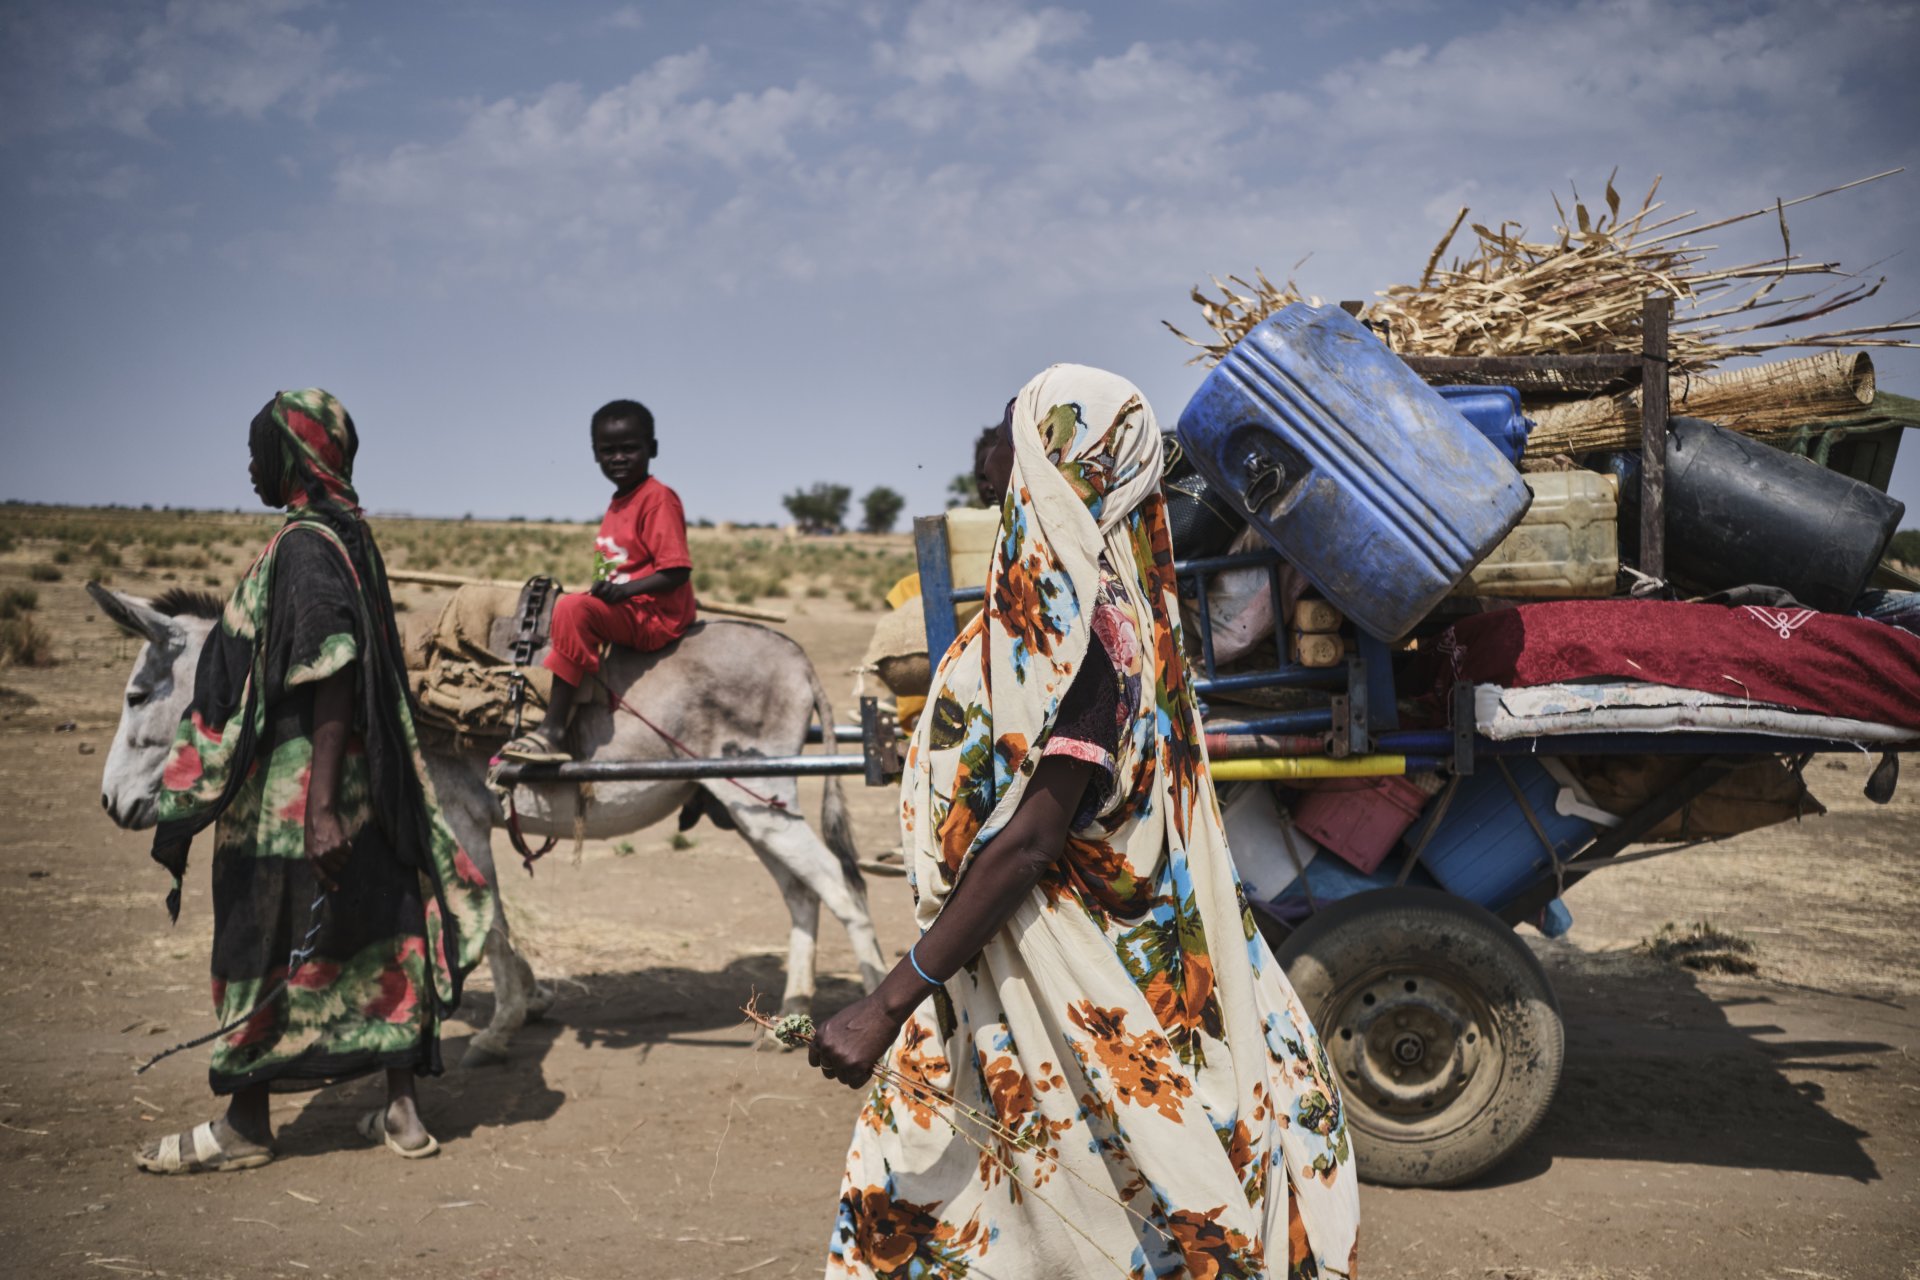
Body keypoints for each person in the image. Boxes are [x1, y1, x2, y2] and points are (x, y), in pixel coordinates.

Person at [809, 366, 1360, 1277]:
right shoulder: (1088, 616)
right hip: (1020, 971)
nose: (998, 462)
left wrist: (887, 999)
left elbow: (1029, 843)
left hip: (1064, 975)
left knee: (1047, 1206)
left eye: (1018, 439)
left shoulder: (1084, 643)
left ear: (1056, 463)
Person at [134, 389, 496, 1175]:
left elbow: (331, 666)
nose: (251, 465)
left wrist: (320, 807)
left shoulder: (303, 543)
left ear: (294, 457)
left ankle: (245, 1125)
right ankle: (401, 1113)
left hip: (299, 795)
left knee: (257, 938)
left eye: (260, 450)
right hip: (369, 783)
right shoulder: (348, 533)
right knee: (378, 925)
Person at [501, 399, 695, 761]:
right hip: (629, 606)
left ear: (652, 449)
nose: (618, 458)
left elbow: (676, 571)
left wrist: (622, 593)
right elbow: (616, 568)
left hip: (655, 615)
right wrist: (606, 592)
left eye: (629, 449)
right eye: (609, 451)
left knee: (573, 611)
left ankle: (554, 729)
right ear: (595, 454)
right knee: (565, 605)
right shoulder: (618, 501)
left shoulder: (658, 499)